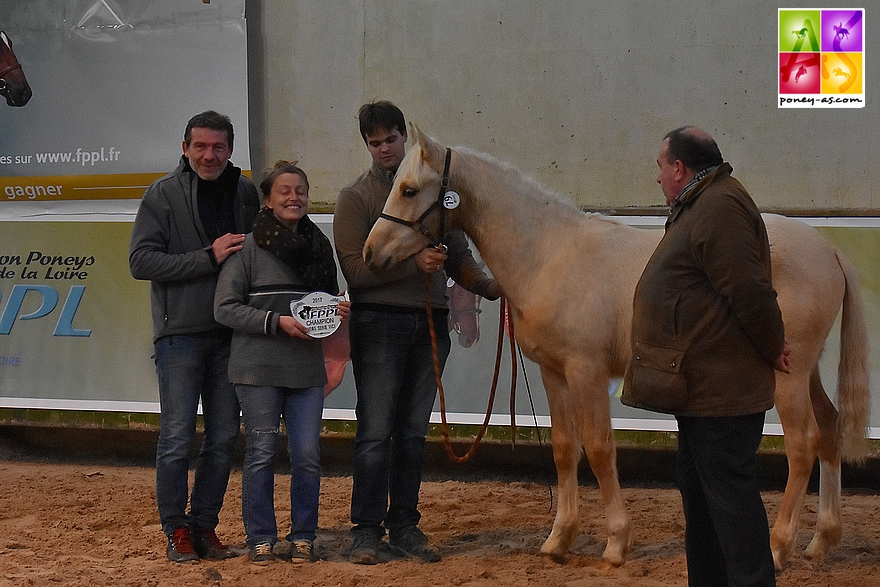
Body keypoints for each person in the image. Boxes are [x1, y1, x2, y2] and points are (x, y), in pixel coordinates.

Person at [333, 101, 502, 564]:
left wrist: (489, 285)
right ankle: (366, 529)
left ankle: (404, 524)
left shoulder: (432, 192)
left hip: (428, 324)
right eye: (376, 142)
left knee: (411, 433)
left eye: (391, 139)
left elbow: (457, 255)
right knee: (375, 431)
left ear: (404, 138)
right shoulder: (356, 198)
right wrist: (413, 263)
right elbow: (354, 269)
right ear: (366, 145)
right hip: (380, 324)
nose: (385, 149)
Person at [622, 126, 791, 587]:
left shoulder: (719, 206)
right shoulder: (703, 203)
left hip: (723, 396)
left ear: (680, 168)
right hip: (702, 391)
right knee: (703, 502)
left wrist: (773, 345)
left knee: (731, 508)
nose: (657, 178)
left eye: (660, 167)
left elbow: (748, 289)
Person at [129, 110, 260, 563]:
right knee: (177, 438)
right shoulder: (161, 194)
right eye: (200, 146)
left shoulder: (246, 192)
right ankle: (176, 531)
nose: (210, 155)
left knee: (224, 436)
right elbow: (141, 263)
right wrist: (208, 256)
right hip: (180, 336)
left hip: (231, 335)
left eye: (218, 147)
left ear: (231, 149)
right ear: (185, 148)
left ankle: (204, 526)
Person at [214, 160, 351, 565]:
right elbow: (225, 308)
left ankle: (303, 536)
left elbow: (322, 305)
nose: (294, 197)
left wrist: (335, 313)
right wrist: (278, 323)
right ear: (269, 199)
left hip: (306, 369)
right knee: (261, 452)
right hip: (256, 369)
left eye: (301, 191)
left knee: (307, 454)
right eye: (285, 191)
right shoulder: (247, 248)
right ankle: (261, 538)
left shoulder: (319, 245)